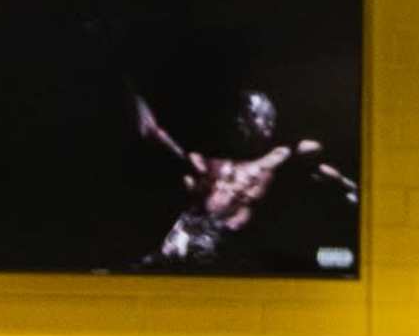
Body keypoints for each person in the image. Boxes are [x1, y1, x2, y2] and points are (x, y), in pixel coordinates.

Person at [134, 76, 355, 273]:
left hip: (229, 251)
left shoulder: (276, 160)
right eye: (242, 115)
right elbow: (159, 137)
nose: (242, 122)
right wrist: (134, 93)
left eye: (252, 116)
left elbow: (316, 158)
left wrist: (349, 186)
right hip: (187, 238)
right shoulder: (210, 163)